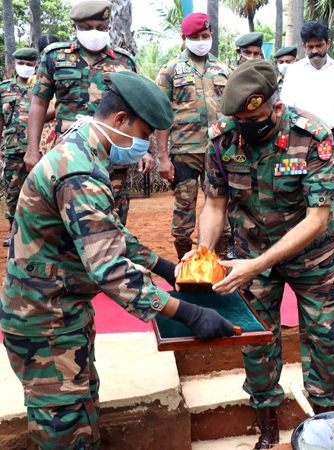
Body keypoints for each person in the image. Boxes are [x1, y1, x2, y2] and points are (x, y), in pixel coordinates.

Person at [1, 71, 234, 450]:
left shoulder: (81, 146)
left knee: (83, 418)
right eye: (143, 135)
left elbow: (106, 230)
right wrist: (188, 313)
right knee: (65, 435)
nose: (144, 146)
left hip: (61, 313)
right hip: (44, 324)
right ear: (120, 120)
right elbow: (109, 268)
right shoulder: (79, 172)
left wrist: (166, 268)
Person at [199, 60, 334, 449]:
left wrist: (257, 265)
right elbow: (214, 204)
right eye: (240, 121)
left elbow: (316, 219)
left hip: (311, 257)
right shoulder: (222, 139)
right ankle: (266, 424)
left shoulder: (311, 136)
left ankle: (326, 423)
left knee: (323, 338)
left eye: (256, 120)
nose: (246, 129)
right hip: (251, 254)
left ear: (276, 108)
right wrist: (203, 251)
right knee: (256, 341)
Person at [25, 0, 153, 227]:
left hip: (113, 157)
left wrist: (144, 150)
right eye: (86, 27)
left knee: (114, 219)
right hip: (67, 156)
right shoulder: (54, 57)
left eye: (101, 27)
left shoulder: (124, 61)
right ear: (75, 27)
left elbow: (137, 109)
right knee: (67, 218)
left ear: (109, 27)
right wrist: (32, 150)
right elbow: (39, 105)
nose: (94, 32)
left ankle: (112, 260)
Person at [281, 20, 334, 268]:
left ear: (328, 43)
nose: (315, 51)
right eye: (310, 47)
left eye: (319, 46)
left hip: (332, 141)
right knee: (296, 195)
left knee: (333, 197)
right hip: (300, 142)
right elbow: (286, 112)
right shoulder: (294, 71)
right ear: (303, 46)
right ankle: (298, 251)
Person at [155, 12, 232, 261]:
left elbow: (233, 113)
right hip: (184, 154)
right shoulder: (170, 71)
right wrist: (163, 157)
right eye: (195, 36)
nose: (201, 40)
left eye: (205, 35)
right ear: (184, 38)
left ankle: (219, 263)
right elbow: (161, 115)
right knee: (183, 210)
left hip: (219, 152)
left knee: (222, 207)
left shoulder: (224, 70)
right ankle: (185, 263)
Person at [0, 48, 39, 247]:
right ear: (14, 64)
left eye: (29, 64)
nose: (25, 67)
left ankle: (36, 232)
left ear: (36, 66)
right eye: (21, 63)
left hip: (39, 150)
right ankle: (13, 230)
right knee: (13, 190)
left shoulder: (42, 87)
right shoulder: (4, 88)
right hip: (13, 148)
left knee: (38, 191)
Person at [28, 34, 61, 155]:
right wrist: (63, 109)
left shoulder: (67, 75)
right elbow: (40, 112)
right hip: (46, 136)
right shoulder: (34, 80)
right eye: (44, 53)